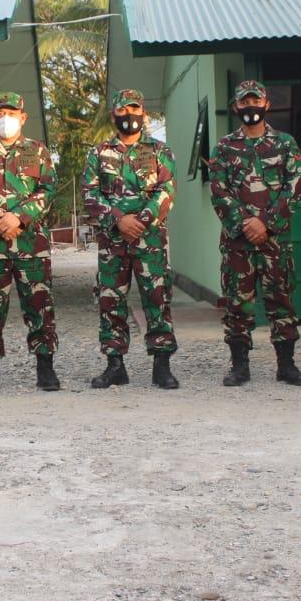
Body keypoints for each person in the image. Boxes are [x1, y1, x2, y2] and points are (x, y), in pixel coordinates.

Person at [209, 80, 301, 387]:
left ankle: (287, 365)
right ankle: (240, 366)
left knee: (282, 301)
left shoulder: (285, 144)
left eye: (256, 100)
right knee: (238, 304)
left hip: (275, 241)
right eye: (244, 101)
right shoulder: (224, 147)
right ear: (236, 106)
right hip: (238, 243)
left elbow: (294, 187)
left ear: (267, 104)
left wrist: (266, 223)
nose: (250, 106)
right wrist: (245, 223)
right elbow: (219, 191)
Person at [0, 92, 60, 393]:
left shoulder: (38, 152)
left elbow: (48, 190)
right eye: (0, 113)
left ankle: (45, 368)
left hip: (31, 244)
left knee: (39, 305)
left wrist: (19, 218)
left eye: (12, 113)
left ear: (23, 117)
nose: (6, 119)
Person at [81, 88, 179, 389]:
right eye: (122, 110)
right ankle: (115, 365)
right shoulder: (98, 153)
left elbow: (166, 191)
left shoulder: (160, 152)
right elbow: (89, 193)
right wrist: (118, 220)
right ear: (114, 115)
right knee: (111, 301)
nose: (128, 116)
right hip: (113, 243)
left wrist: (142, 220)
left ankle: (161, 365)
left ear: (143, 113)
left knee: (157, 298)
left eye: (134, 109)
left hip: (149, 241)